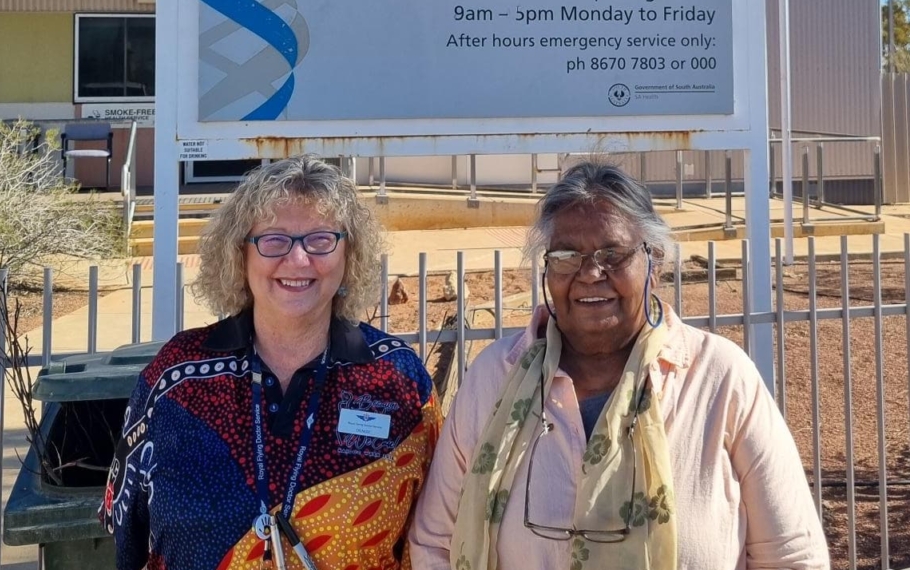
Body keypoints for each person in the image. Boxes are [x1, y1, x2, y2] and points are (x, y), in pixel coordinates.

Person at [409, 161, 829, 570]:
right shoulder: (494, 378)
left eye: (613, 254)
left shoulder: (720, 378)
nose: (591, 273)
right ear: (547, 268)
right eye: (567, 255)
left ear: (654, 262)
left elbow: (792, 556)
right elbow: (435, 542)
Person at [100, 156, 441, 570]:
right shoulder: (175, 379)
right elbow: (127, 538)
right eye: (274, 240)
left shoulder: (399, 380)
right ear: (239, 253)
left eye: (320, 239)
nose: (297, 260)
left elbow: (436, 540)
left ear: (349, 254)